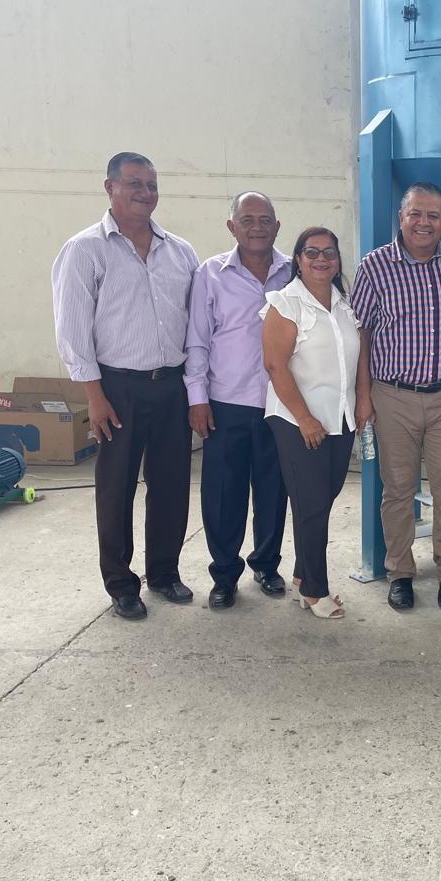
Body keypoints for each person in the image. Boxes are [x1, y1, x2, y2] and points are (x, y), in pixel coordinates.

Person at [51, 152, 200, 621]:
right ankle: (120, 584)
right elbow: (73, 330)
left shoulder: (181, 252)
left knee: (172, 484)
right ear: (110, 187)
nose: (145, 193)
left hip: (171, 385)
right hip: (116, 388)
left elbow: (197, 325)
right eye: (134, 183)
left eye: (151, 185)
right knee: (116, 488)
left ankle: (164, 573)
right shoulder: (85, 250)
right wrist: (94, 397)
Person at [351, 182, 441, 610]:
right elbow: (362, 333)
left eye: (433, 215)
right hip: (393, 396)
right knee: (398, 490)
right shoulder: (375, 266)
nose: (424, 223)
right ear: (401, 218)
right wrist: (363, 396)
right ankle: (400, 572)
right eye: (415, 214)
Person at [184, 192, 292, 611]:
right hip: (226, 402)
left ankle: (266, 564)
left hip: (280, 402)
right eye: (247, 219)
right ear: (232, 227)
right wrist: (197, 399)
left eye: (265, 219)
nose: (257, 227)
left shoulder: (294, 271)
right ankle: (224, 574)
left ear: (277, 226)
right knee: (223, 493)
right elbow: (197, 340)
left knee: (273, 490)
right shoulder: (210, 274)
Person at [262, 227, 366, 620]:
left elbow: (359, 357)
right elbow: (275, 366)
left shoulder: (345, 304)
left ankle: (301, 578)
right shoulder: (286, 304)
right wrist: (304, 418)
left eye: (329, 252)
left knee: (322, 500)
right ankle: (315, 590)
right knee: (312, 505)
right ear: (298, 259)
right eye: (312, 252)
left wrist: (362, 401)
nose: (321, 259)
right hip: (297, 420)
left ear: (338, 260)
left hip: (339, 417)